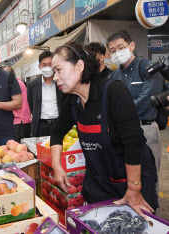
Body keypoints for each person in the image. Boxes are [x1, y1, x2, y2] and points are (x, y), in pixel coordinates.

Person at [50, 42, 158, 220]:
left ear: (79, 66)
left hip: (130, 179)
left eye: (58, 70)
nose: (55, 77)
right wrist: (56, 166)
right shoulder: (73, 101)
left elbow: (132, 144)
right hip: (100, 183)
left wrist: (133, 188)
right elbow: (56, 132)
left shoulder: (113, 91)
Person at [107, 30, 162, 214]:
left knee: (148, 179)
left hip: (145, 129)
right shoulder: (114, 76)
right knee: (129, 180)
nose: (117, 53)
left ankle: (155, 222)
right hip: (121, 134)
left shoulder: (148, 68)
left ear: (132, 45)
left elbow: (147, 101)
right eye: (112, 50)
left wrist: (119, 116)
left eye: (120, 47)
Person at [27, 51, 64, 137]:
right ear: (39, 66)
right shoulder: (32, 85)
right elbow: (32, 105)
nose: (47, 67)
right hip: (41, 126)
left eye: (50, 64)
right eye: (44, 65)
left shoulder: (61, 82)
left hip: (59, 124)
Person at [4, 66, 31, 142]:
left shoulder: (17, 84)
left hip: (21, 121)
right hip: (18, 121)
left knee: (20, 147)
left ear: (12, 74)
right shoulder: (14, 84)